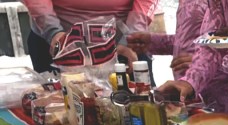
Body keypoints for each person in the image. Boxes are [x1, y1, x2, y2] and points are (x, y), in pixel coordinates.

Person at [19, 0, 158, 73]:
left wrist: (130, 38)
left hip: (124, 44)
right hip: (58, 41)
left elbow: (146, 3)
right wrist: (53, 31)